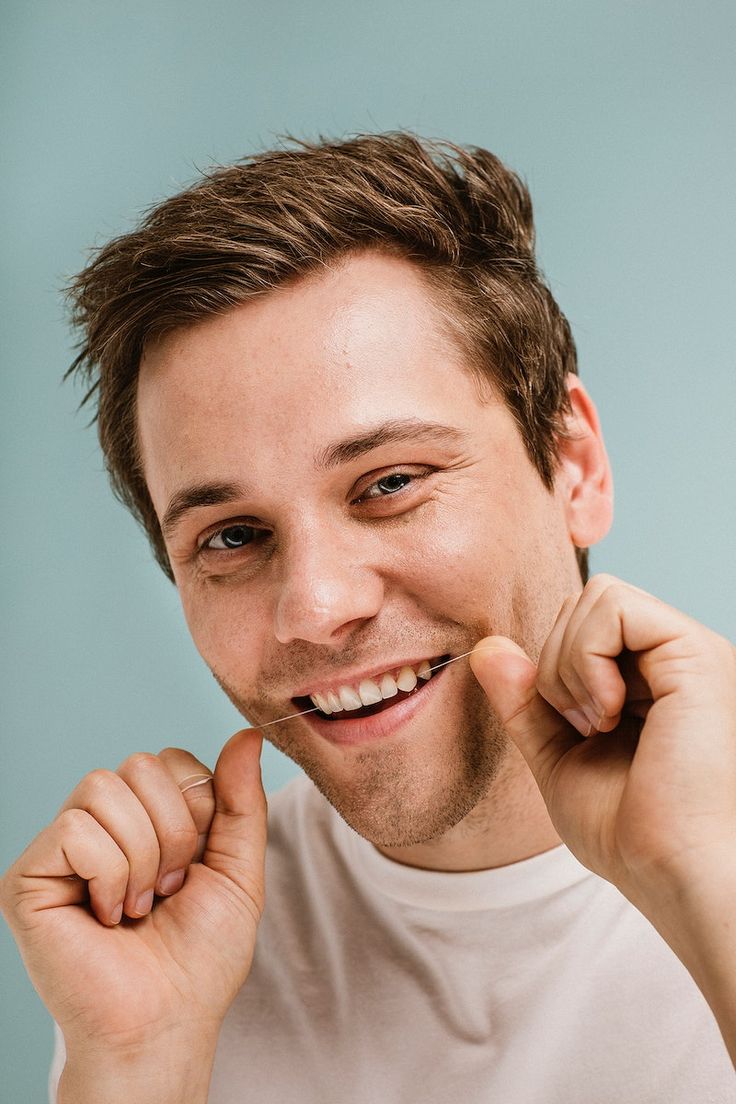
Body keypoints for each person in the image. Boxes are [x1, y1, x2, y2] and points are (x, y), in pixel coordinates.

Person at [2, 133, 735, 1104]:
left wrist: (711, 887)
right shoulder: (171, 957)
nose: (315, 608)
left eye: (388, 482)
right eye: (231, 538)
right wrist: (136, 1068)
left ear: (573, 467)